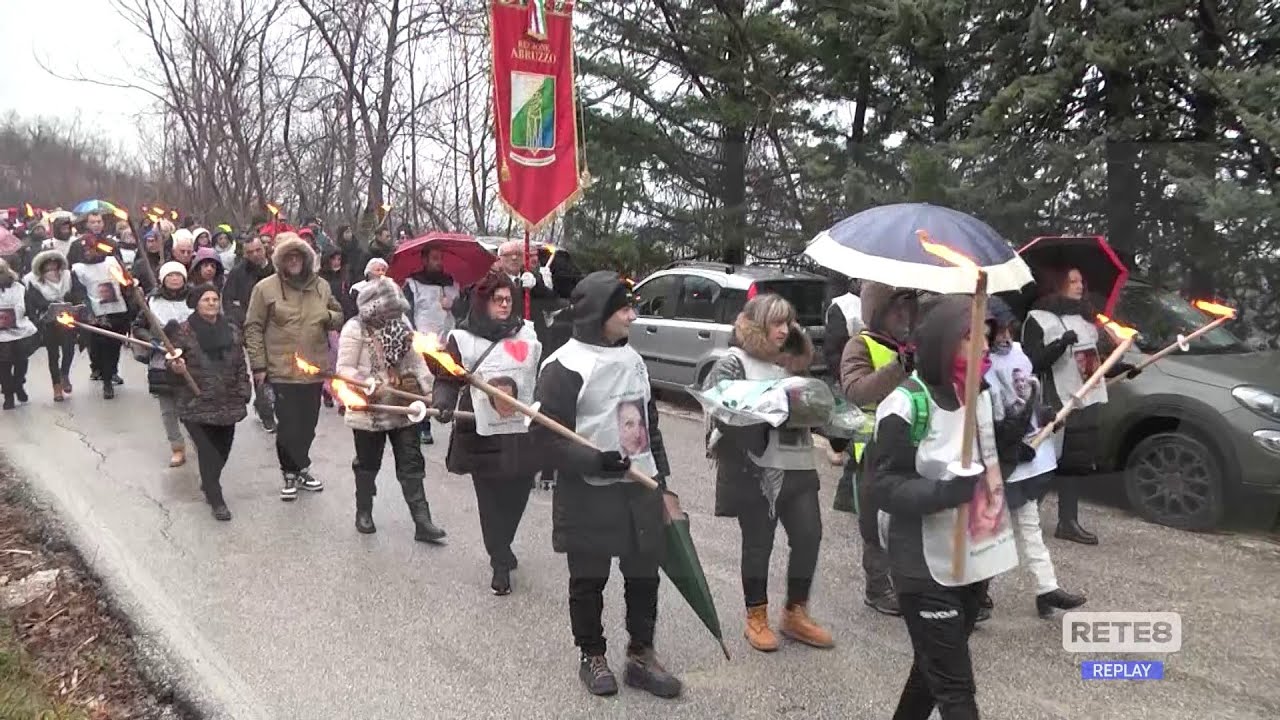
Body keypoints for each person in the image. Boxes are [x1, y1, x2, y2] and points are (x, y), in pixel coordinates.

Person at [868, 295, 1018, 720]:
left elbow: (986, 462)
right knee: (956, 690)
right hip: (922, 564)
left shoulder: (979, 396)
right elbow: (882, 486)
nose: (986, 346)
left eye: (986, 336)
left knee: (932, 669)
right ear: (941, 341)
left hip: (970, 558)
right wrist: (944, 492)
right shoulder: (905, 404)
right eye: (972, 337)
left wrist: (1015, 434)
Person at [535, 271, 681, 700]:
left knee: (643, 575)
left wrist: (662, 479)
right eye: (624, 309)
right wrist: (592, 458)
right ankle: (591, 654)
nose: (633, 316)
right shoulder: (563, 366)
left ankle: (640, 655)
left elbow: (649, 424)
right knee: (589, 578)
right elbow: (544, 438)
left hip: (639, 486)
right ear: (600, 314)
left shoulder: (634, 359)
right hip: (589, 491)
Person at [702, 294, 833, 653]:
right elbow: (719, 410)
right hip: (756, 469)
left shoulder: (792, 362)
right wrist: (765, 419)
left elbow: (811, 404)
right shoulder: (734, 361)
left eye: (788, 322)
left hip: (799, 463)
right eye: (776, 323)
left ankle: (795, 612)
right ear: (758, 325)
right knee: (759, 544)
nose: (784, 330)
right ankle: (755, 617)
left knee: (809, 536)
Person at [431, 271, 541, 595]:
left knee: (518, 495)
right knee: (491, 501)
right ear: (484, 302)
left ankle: (503, 543)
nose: (505, 305)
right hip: (481, 434)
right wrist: (443, 404)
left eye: (509, 299)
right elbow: (446, 379)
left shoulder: (527, 334)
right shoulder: (462, 339)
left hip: (522, 433)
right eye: (498, 300)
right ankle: (500, 561)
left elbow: (541, 372)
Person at [985, 297, 1087, 618]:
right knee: (991, 532)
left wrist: (1044, 414)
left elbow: (1028, 395)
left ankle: (1047, 589)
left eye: (1007, 330)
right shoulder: (979, 364)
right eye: (997, 332)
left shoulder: (1018, 354)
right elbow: (987, 417)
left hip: (1029, 457)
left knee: (1029, 526)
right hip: (1002, 460)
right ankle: (977, 592)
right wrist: (1011, 448)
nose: (1005, 337)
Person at [1023, 266, 1136, 545]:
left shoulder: (1086, 321)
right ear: (1056, 283)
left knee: (1075, 461)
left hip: (1087, 399)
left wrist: (1118, 368)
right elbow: (1032, 364)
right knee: (1045, 462)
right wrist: (1060, 344)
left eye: (1081, 280)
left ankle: (1068, 522)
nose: (1079, 285)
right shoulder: (1038, 319)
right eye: (1072, 280)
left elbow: (1090, 363)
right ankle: (1025, 515)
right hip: (1055, 399)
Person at [335, 276, 447, 543]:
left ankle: (422, 521)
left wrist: (430, 391)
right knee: (367, 463)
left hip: (402, 405)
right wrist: (366, 383)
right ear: (374, 309)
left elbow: (415, 359)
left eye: (396, 311)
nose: (393, 317)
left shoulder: (401, 324)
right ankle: (364, 510)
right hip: (370, 409)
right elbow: (344, 368)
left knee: (411, 462)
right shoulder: (355, 329)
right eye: (388, 311)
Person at [838, 282, 919, 616]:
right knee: (874, 520)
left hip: (912, 442)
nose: (906, 314)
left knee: (909, 517)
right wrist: (899, 365)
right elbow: (857, 390)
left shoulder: (917, 343)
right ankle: (877, 586)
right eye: (898, 307)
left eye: (909, 306)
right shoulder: (861, 345)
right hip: (872, 446)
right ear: (880, 310)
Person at [244, 232, 344, 500]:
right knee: (288, 425)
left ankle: (301, 466)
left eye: (298, 256)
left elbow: (338, 316)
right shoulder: (265, 288)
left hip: (314, 369)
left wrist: (327, 316)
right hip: (281, 369)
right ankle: (290, 472)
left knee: (308, 425)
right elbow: (253, 327)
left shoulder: (321, 286)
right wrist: (259, 365)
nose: (293, 261)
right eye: (288, 256)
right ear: (280, 260)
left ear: (306, 259)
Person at [165, 283, 250, 521]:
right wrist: (175, 366)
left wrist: (244, 389)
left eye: (215, 299)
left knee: (223, 451)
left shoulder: (231, 329)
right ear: (196, 303)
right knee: (208, 452)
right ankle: (216, 497)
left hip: (228, 401)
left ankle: (209, 481)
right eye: (206, 299)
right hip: (196, 402)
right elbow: (170, 366)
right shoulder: (182, 332)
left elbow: (241, 363)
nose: (212, 303)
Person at [133, 262, 194, 467]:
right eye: (171, 275)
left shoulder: (195, 298)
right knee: (168, 408)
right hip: (161, 358)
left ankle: (200, 442)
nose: (175, 279)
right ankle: (177, 447)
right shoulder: (151, 300)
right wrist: (151, 340)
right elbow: (138, 327)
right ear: (163, 278)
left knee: (193, 405)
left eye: (179, 275)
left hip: (192, 358)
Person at [403, 245, 460, 446]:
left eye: (440, 258)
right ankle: (424, 425)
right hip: (423, 341)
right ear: (425, 260)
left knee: (449, 383)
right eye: (434, 258)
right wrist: (412, 335)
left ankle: (452, 418)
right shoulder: (412, 284)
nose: (438, 262)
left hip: (447, 341)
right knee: (424, 384)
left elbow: (464, 311)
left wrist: (454, 305)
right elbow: (407, 312)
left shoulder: (452, 283)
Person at [222, 236, 276, 431]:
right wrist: (243, 320)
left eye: (258, 250)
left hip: (279, 327)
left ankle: (271, 402)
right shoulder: (238, 273)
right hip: (252, 328)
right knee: (260, 369)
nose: (254, 255)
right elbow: (228, 301)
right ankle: (266, 411)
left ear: (265, 249)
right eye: (250, 252)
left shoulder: (277, 269)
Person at [69, 235, 133, 399]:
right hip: (97, 315)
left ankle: (112, 371)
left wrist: (130, 288)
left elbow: (124, 282)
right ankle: (106, 381)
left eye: (91, 249)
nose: (89, 252)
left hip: (118, 311)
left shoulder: (112, 261)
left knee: (115, 345)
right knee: (100, 348)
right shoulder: (78, 269)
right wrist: (89, 314)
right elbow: (79, 293)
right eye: (85, 250)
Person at [23, 250, 76, 401]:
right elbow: (34, 300)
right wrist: (51, 306)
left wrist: (72, 303)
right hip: (49, 322)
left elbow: (77, 292)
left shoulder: (68, 276)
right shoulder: (32, 281)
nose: (52, 270)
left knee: (69, 349)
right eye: (48, 267)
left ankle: (64, 373)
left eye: (54, 266)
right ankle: (56, 387)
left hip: (69, 319)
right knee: (53, 355)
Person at [823, 278, 862, 467]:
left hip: (862, 369)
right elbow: (834, 346)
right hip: (848, 369)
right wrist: (841, 374)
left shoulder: (883, 306)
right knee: (844, 413)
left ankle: (841, 445)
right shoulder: (843, 306)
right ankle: (836, 445)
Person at [0, 259, 38, 409]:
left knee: (21, 362)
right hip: (1, 337)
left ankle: (18, 384)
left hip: (20, 332)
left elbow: (29, 307)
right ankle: (8, 396)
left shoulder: (19, 287)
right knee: (3, 366)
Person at [496, 240, 554, 322]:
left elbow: (551, 303)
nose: (514, 258)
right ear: (499, 259)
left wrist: (536, 286)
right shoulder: (494, 281)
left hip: (535, 330)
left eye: (518, 254)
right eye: (508, 255)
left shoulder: (535, 276)